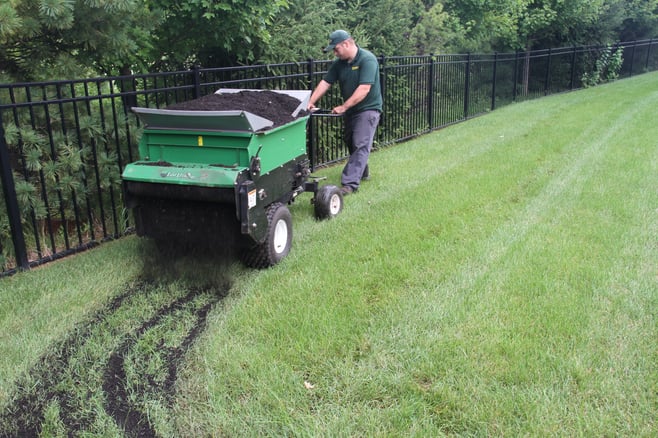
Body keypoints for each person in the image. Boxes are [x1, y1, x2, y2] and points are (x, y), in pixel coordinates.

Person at [307, 30, 383, 195]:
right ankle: (362, 170)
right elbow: (325, 83)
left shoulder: (367, 59)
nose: (335, 52)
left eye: (336, 49)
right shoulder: (339, 63)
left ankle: (349, 185)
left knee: (360, 143)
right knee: (351, 141)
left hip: (368, 108)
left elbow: (364, 89)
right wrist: (311, 102)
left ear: (347, 44)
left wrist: (344, 106)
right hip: (352, 110)